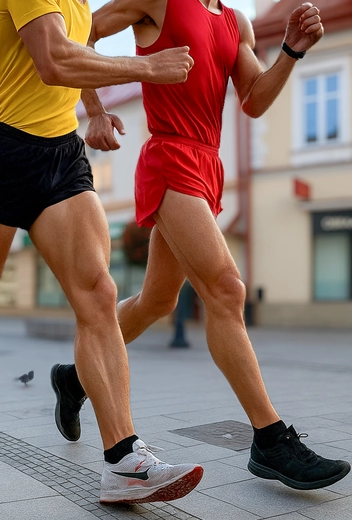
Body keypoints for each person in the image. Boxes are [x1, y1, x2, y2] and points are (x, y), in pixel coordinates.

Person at [0, 0, 206, 505]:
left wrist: (96, 110)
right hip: (4, 153)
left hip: (62, 155)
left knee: (99, 295)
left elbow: (71, 51)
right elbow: (49, 58)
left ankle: (124, 459)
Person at [50, 0, 350, 491]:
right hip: (169, 156)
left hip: (207, 165)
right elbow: (82, 34)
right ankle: (270, 440)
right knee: (227, 289)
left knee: (157, 302)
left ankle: (74, 378)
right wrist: (96, 110)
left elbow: (252, 99)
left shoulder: (237, 22)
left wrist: (292, 52)